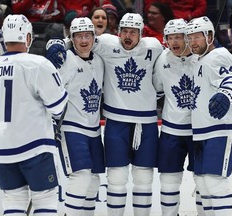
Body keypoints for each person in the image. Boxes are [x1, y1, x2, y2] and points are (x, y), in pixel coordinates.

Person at [46, 12, 164, 216]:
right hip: (112, 122)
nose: (128, 36)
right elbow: (79, 38)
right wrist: (55, 43)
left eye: (133, 32)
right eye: (125, 31)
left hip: (142, 123)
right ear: (118, 32)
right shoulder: (106, 45)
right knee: (115, 179)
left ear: (141, 33)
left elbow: (175, 54)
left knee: (141, 179)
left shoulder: (153, 47)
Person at [0, 14, 68, 215]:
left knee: (13, 199)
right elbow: (58, 106)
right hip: (35, 146)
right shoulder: (38, 64)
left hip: (1, 148)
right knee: (45, 198)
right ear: (28, 38)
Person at [185, 16, 232, 216]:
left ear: (209, 36)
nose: (192, 42)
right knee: (201, 181)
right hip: (203, 131)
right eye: (190, 37)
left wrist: (226, 95)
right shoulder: (196, 60)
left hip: (222, 129)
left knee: (214, 181)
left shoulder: (218, 55)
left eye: (197, 37)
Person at [48, 17, 105, 216]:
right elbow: (48, 91)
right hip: (71, 128)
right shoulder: (64, 60)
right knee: (80, 177)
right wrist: (55, 44)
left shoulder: (99, 59)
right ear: (71, 38)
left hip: (94, 130)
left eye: (87, 35)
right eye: (78, 36)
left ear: (93, 37)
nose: (83, 40)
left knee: (94, 180)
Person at [153, 18, 198, 216]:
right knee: (168, 181)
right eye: (171, 38)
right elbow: (157, 90)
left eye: (179, 37)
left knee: (205, 181)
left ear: (188, 37)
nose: (174, 42)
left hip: (199, 130)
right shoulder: (162, 60)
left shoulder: (202, 58)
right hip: (171, 130)